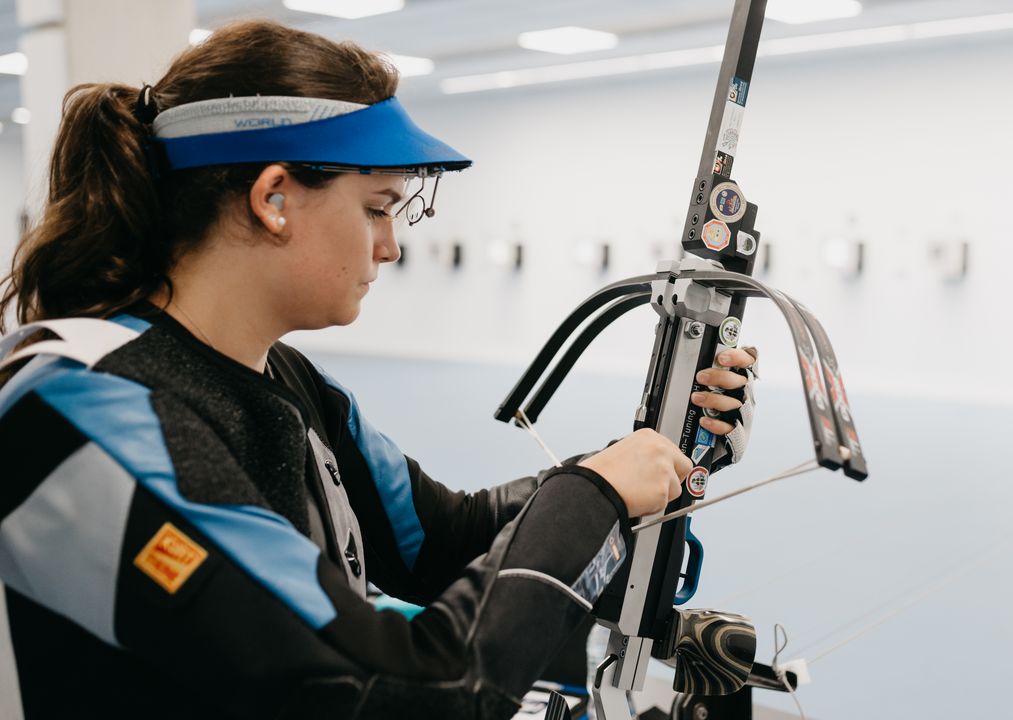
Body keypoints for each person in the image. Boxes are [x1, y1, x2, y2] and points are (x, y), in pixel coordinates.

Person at [0, 20, 757, 720]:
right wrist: (591, 495)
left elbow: (443, 541)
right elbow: (398, 693)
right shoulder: (79, 401)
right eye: (376, 207)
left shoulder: (286, 382)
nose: (391, 247)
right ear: (274, 198)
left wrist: (655, 455)